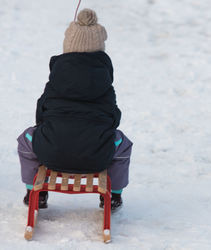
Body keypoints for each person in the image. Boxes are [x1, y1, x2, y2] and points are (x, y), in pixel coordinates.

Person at [17, 8, 133, 211]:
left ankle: (35, 191)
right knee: (124, 145)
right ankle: (114, 195)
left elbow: (41, 114)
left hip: (51, 152)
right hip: (97, 154)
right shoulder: (105, 83)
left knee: (25, 140)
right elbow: (114, 118)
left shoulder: (55, 80)